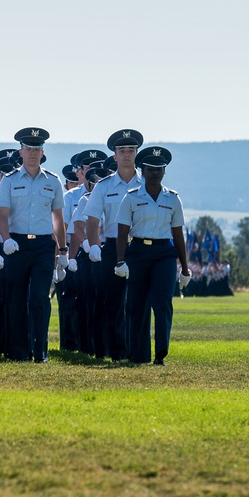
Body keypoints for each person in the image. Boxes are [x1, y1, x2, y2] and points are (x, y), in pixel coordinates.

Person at [0, 127, 66, 362]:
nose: (33, 153)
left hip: (44, 245)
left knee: (39, 298)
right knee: (16, 299)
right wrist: (6, 240)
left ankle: (40, 351)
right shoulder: (10, 181)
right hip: (17, 244)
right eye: (29, 149)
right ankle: (19, 351)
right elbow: (2, 214)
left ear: (42, 152)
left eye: (37, 149)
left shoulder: (53, 182)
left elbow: (58, 218)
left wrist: (63, 251)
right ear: (21, 152)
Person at [115, 145, 191, 366]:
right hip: (138, 252)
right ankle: (137, 354)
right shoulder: (130, 197)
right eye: (150, 169)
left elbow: (178, 235)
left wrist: (185, 268)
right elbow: (122, 232)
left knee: (162, 302)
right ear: (143, 170)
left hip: (163, 255)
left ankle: (161, 353)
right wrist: (120, 260)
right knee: (136, 304)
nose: (155, 173)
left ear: (164, 171)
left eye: (159, 169)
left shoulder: (173, 199)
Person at [84, 130, 143, 362]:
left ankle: (136, 349)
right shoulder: (104, 186)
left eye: (130, 151)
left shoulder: (147, 183)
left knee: (138, 301)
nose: (127, 155)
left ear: (136, 154)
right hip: (111, 247)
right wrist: (94, 245)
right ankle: (118, 352)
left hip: (139, 247)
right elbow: (92, 219)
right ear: (115, 156)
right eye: (122, 151)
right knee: (113, 302)